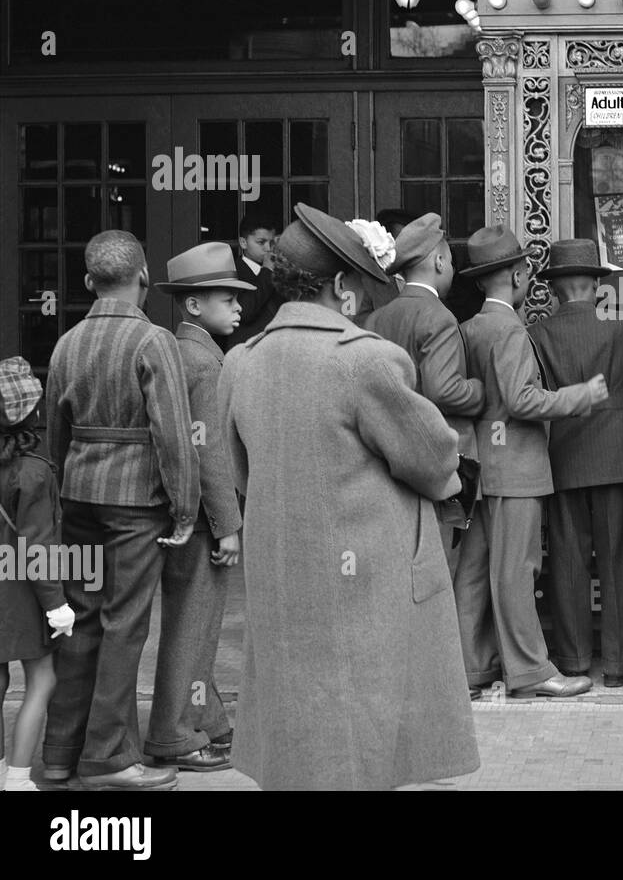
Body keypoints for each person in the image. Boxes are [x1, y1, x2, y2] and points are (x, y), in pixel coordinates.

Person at [216, 203, 478, 790]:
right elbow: (435, 462)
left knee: (298, 723)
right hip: (367, 580)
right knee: (361, 726)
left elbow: (238, 471)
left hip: (281, 576)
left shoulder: (240, 362)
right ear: (340, 285)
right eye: (360, 285)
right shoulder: (365, 359)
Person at [42, 230, 199, 791]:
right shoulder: (154, 342)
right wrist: (185, 509)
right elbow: (174, 436)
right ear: (145, 276)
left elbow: (53, 436)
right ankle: (108, 759)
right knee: (124, 626)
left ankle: (60, 753)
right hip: (136, 503)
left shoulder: (66, 344)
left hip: (78, 496)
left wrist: (59, 498)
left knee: (80, 622)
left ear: (88, 283)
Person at [455, 225, 607, 699]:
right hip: (516, 470)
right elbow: (521, 401)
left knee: (475, 572)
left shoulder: (471, 327)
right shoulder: (511, 331)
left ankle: (471, 668)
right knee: (517, 572)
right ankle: (532, 672)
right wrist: (577, 396)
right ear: (519, 275)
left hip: (482, 468)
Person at [143, 244, 252, 774]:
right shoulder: (205, 363)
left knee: (196, 625)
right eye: (226, 297)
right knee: (193, 627)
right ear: (192, 306)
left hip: (178, 511)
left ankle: (207, 723)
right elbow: (208, 454)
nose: (238, 307)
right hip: (203, 519)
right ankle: (173, 735)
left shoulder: (178, 352)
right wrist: (228, 525)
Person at [529, 239, 623, 688]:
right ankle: (622, 664)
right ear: (596, 285)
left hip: (563, 456)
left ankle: (573, 659)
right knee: (621, 557)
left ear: (556, 290)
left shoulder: (537, 333)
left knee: (567, 560)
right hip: (617, 457)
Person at [365, 213, 484, 565]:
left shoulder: (377, 318)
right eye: (450, 262)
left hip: (391, 453)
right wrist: (480, 389)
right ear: (439, 260)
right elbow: (445, 391)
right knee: (440, 568)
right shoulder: (439, 316)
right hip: (440, 459)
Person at [0, 358, 72, 792]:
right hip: (23, 596)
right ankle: (19, 778)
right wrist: (57, 605)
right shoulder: (33, 472)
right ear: (32, 414)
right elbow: (37, 546)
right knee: (42, 679)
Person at [228, 211, 282, 347]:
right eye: (261, 242)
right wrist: (267, 271)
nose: (268, 248)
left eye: (272, 242)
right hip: (245, 352)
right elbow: (244, 311)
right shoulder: (231, 271)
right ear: (243, 242)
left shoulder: (281, 272)